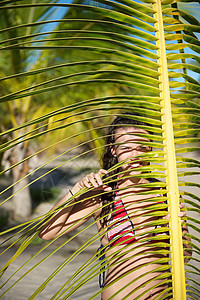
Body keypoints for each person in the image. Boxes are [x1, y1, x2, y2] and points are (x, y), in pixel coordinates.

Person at [39, 114, 190, 300]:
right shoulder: (104, 195)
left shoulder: (166, 194)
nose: (135, 155)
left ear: (150, 148)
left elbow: (186, 255)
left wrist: (178, 230)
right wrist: (76, 190)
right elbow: (47, 232)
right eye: (126, 148)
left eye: (141, 147)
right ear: (113, 150)